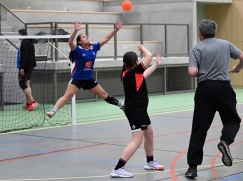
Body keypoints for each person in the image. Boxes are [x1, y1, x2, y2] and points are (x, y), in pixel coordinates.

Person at [185, 19, 243, 178]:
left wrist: (199, 70)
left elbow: (192, 72)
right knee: (232, 121)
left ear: (200, 32)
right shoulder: (226, 44)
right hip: (224, 88)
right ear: (214, 31)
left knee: (199, 129)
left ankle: (192, 168)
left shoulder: (196, 48)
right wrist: (237, 69)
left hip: (205, 89)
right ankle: (225, 140)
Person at [46, 20, 124, 118]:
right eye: (83, 37)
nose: (86, 37)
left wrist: (116, 30)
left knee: (104, 95)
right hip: (77, 78)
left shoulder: (93, 47)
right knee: (67, 96)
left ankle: (122, 106)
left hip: (89, 79)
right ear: (79, 42)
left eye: (86, 36)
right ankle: (53, 111)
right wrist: (75, 31)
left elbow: (106, 38)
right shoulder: (78, 50)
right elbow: (70, 42)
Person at [110, 44, 164, 178]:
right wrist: (143, 48)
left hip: (140, 109)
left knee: (149, 133)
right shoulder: (133, 73)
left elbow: (144, 74)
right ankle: (118, 168)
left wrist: (156, 65)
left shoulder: (131, 73)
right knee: (137, 140)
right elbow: (149, 56)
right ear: (135, 62)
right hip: (135, 110)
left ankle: (150, 162)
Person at [17, 29, 38, 111]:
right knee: (27, 83)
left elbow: (24, 56)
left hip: (26, 67)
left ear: (20, 34)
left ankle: (32, 101)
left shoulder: (24, 43)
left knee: (22, 83)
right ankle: (29, 103)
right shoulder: (29, 42)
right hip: (30, 66)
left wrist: (22, 67)